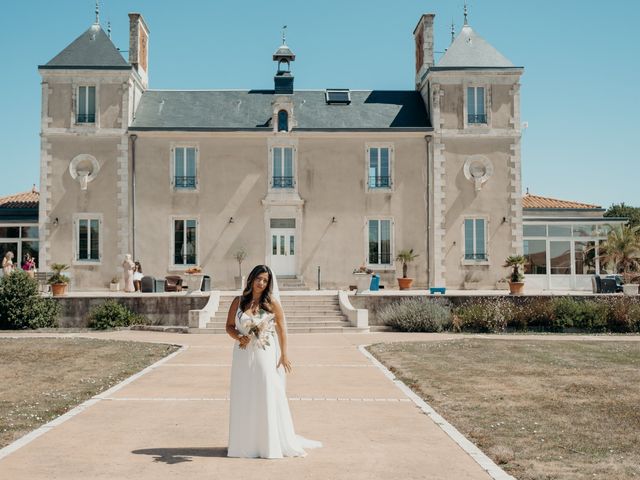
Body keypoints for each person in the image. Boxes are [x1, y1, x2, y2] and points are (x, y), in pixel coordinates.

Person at [225, 265, 321, 458]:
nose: (261, 283)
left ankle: (266, 443)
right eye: (258, 278)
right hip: (242, 355)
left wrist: (283, 355)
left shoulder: (272, 303)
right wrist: (238, 336)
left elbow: (282, 330)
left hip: (264, 353)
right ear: (251, 279)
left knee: (264, 391)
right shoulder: (238, 301)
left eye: (265, 280)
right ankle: (244, 444)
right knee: (244, 393)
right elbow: (228, 326)